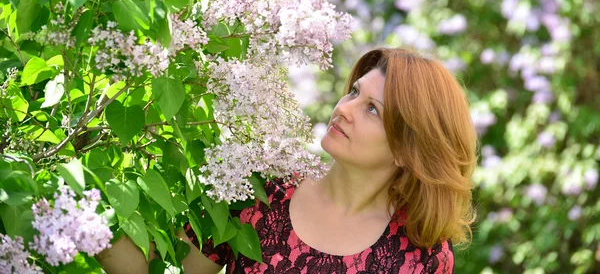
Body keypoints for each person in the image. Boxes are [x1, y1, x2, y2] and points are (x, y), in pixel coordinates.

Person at [98, 47, 478, 273]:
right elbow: (165, 270)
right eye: (354, 93)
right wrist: (81, 209)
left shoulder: (421, 255)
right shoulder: (260, 187)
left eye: (372, 110)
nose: (344, 109)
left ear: (405, 150)